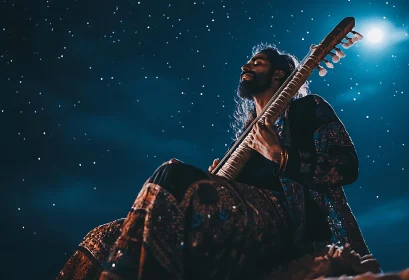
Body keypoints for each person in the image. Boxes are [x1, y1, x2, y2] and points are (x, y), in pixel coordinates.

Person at [57, 43, 380, 280]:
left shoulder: (308, 108)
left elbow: (346, 165)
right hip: (239, 215)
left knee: (171, 177)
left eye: (257, 62)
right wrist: (218, 182)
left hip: (286, 226)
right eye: (247, 62)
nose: (246, 67)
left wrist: (280, 155)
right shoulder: (244, 135)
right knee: (106, 235)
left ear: (279, 72)